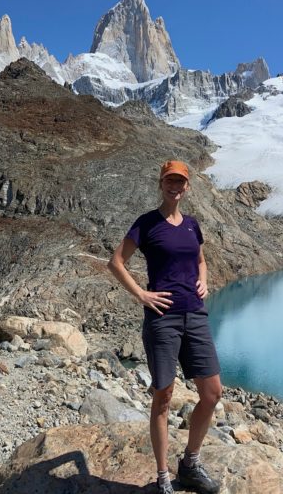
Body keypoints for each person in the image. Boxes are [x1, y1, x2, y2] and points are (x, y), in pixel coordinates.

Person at [108, 160, 222, 494]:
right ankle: (162, 478)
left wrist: (203, 281)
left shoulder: (192, 225)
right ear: (161, 183)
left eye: (181, 181)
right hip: (163, 319)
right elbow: (116, 262)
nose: (175, 186)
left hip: (195, 315)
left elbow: (200, 261)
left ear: (187, 187)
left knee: (212, 393)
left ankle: (189, 463)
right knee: (164, 395)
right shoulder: (147, 224)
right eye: (170, 180)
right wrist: (141, 294)